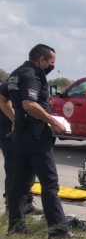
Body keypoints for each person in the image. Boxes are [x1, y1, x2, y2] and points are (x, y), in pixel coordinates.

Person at [1, 44, 73, 239]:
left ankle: (16, 229)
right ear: (41, 60)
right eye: (51, 63)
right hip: (36, 137)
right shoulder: (32, 75)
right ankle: (58, 232)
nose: (52, 67)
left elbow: (2, 98)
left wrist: (15, 119)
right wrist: (53, 122)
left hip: (20, 136)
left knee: (19, 185)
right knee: (50, 184)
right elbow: (29, 104)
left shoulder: (16, 73)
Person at [0, 79, 40, 216]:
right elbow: (3, 101)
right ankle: (11, 207)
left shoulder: (33, 80)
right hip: (10, 130)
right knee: (14, 167)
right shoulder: (16, 80)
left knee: (29, 167)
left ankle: (26, 204)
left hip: (24, 131)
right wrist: (16, 121)